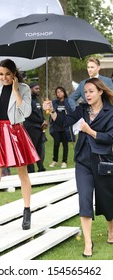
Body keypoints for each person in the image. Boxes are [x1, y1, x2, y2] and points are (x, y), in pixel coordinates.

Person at [43, 78, 113, 257]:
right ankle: (88, 243)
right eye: (85, 91)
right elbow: (63, 122)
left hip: (103, 162)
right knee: (84, 199)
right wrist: (50, 111)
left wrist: (89, 130)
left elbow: (110, 138)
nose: (87, 94)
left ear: (100, 92)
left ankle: (111, 230)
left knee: (107, 200)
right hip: (82, 162)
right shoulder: (81, 109)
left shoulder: (110, 112)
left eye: (91, 91)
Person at [0, 59, 40, 238]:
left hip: (15, 133)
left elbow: (26, 112)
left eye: (7, 74)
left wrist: (16, 90)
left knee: (22, 174)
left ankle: (27, 211)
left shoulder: (24, 88)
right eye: (1, 74)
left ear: (14, 74)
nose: (4, 78)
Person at [23, 82, 48, 173]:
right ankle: (30, 170)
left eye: (38, 88)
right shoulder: (27, 100)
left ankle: (41, 167)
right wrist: (41, 121)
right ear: (30, 89)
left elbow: (39, 113)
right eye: (36, 89)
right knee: (30, 149)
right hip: (31, 128)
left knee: (40, 148)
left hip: (39, 128)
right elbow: (28, 115)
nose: (38, 90)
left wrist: (44, 120)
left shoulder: (36, 100)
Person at [49, 86, 74, 168]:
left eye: (61, 91)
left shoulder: (68, 101)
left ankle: (64, 161)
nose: (59, 93)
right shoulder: (54, 102)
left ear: (64, 92)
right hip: (56, 126)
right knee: (56, 144)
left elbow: (71, 112)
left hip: (65, 127)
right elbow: (51, 112)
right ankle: (54, 160)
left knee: (65, 144)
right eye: (58, 92)